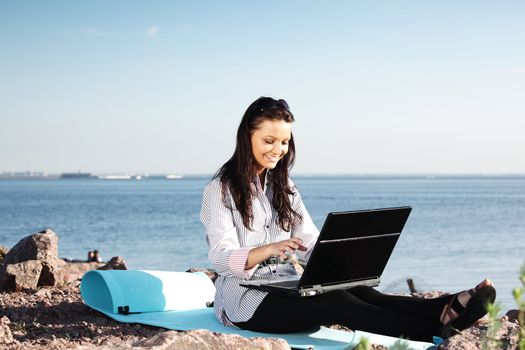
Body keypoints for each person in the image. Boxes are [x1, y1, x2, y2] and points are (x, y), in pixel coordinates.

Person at [200, 96, 496, 341]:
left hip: (285, 285)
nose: (278, 150)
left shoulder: (284, 186)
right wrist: (266, 250)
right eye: (269, 140)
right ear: (247, 136)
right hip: (245, 302)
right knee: (335, 303)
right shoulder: (220, 190)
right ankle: (434, 332)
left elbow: (307, 238)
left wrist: (339, 257)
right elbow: (220, 257)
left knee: (357, 290)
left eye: (285, 142)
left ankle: (443, 308)